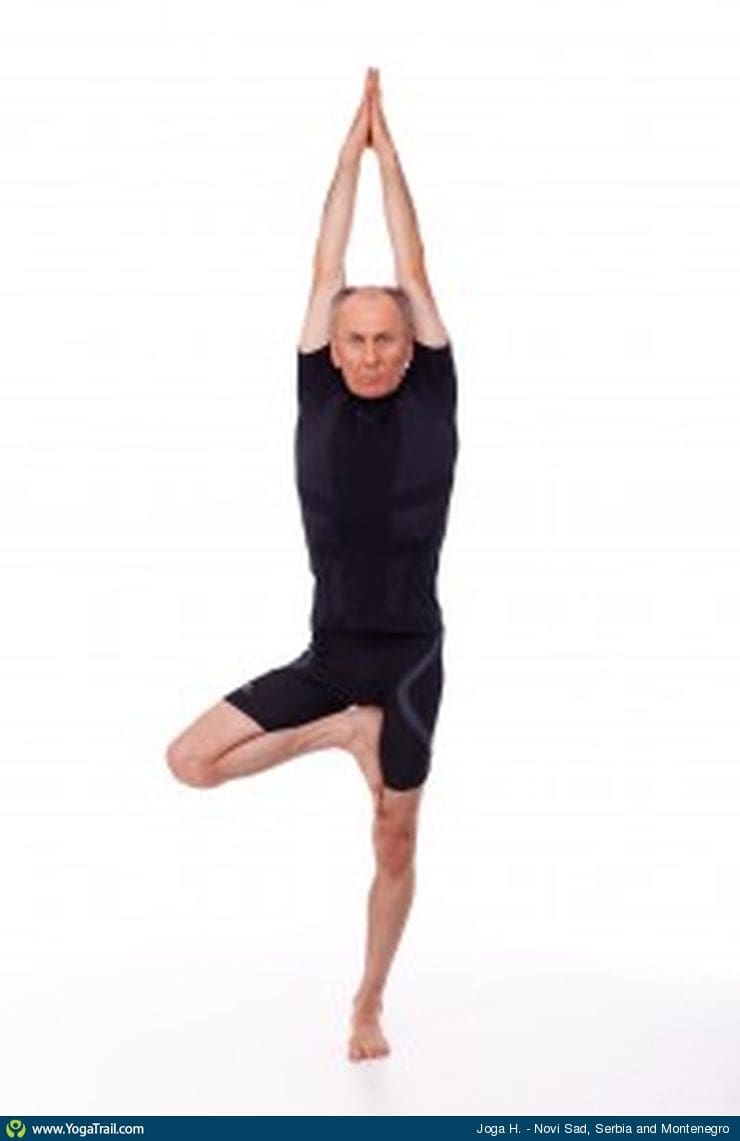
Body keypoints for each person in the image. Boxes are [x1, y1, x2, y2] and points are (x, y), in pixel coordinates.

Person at [165, 67, 459, 1063]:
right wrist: (345, 156)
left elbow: (412, 262)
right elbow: (325, 260)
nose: (371, 352)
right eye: (356, 338)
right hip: (331, 658)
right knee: (190, 761)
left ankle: (367, 1002)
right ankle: (341, 732)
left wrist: (390, 157)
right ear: (330, 348)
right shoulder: (318, 392)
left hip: (411, 657)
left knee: (394, 837)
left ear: (409, 348)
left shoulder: (431, 390)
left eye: (386, 339)